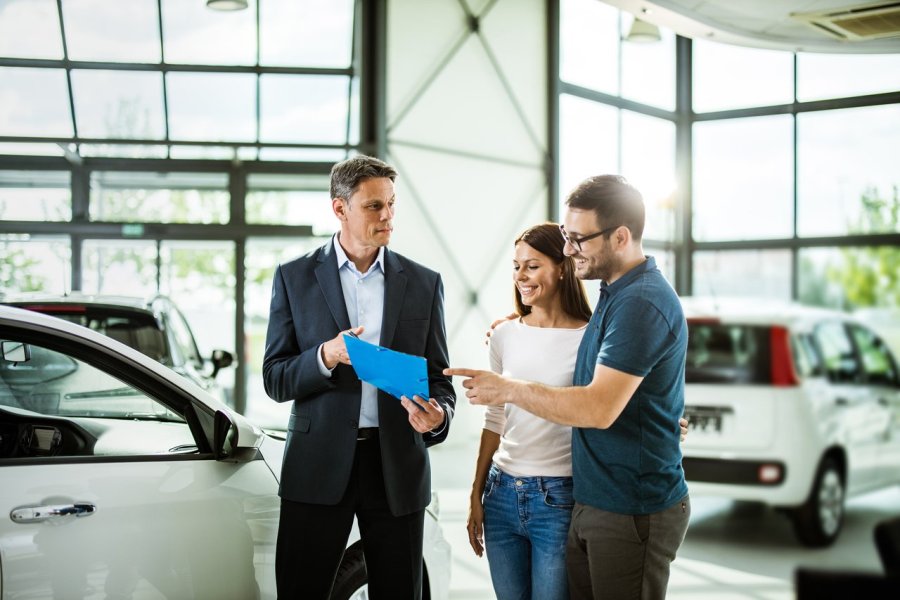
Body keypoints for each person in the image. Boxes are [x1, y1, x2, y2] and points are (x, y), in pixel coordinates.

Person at [449, 174, 690, 600]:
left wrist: (508, 387)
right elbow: (616, 384)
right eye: (565, 234)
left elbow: (597, 408)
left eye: (578, 239)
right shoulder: (613, 294)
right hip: (593, 502)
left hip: (629, 506)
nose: (567, 248)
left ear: (619, 237)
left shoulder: (640, 302)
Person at [263, 155, 456, 600]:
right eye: (374, 206)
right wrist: (326, 356)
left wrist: (438, 416)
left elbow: (439, 379)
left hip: (396, 470)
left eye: (391, 204)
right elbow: (275, 378)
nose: (387, 216)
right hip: (317, 466)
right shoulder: (294, 278)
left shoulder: (424, 284)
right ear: (340, 208)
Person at [469, 222, 592, 600]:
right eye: (516, 265)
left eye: (532, 266)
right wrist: (477, 491)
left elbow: (602, 405)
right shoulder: (505, 335)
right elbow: (496, 418)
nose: (521, 276)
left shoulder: (590, 337)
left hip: (558, 497)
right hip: (501, 492)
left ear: (562, 267)